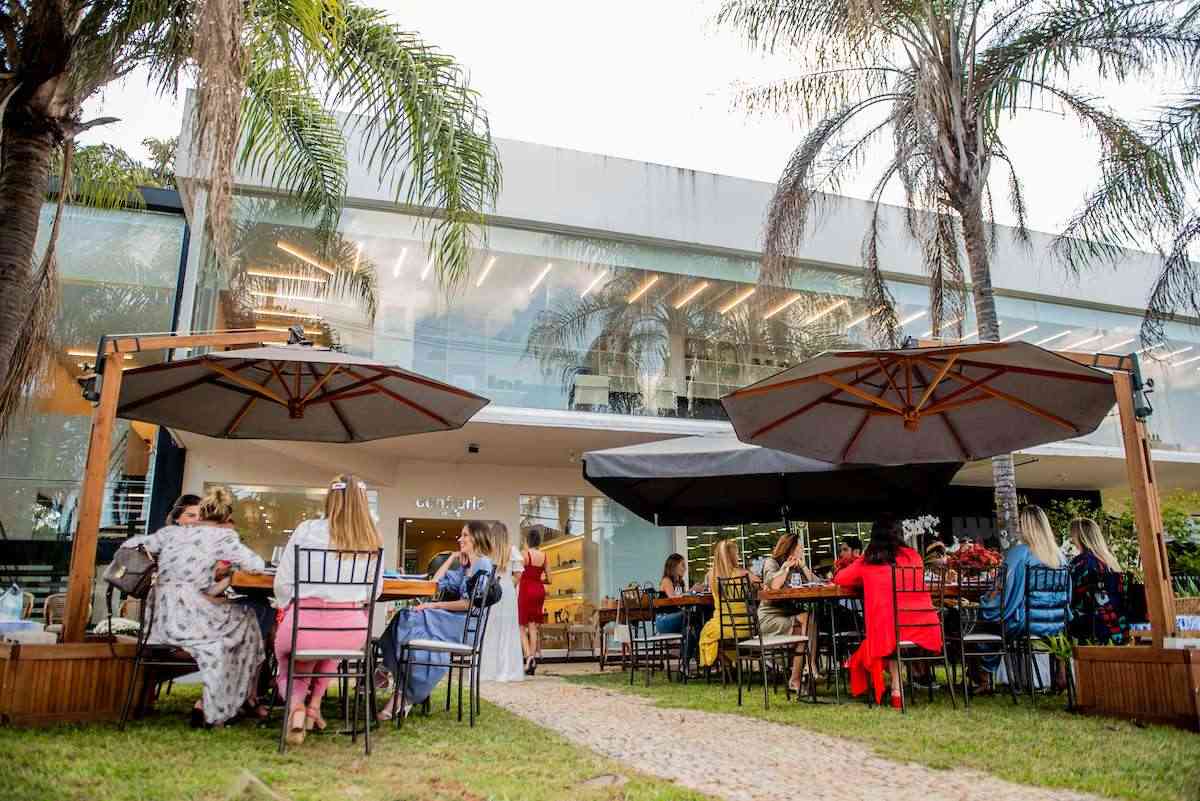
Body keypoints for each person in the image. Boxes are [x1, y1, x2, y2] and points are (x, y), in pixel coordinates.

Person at [118, 487, 266, 727]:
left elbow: (131, 545)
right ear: (225, 518)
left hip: (160, 617)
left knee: (240, 624)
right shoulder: (223, 537)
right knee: (248, 618)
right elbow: (256, 565)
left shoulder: (171, 533)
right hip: (191, 611)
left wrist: (159, 567)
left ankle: (228, 700)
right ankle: (226, 702)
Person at [272, 474, 383, 745]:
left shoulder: (306, 529)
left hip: (304, 627)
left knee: (294, 654)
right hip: (350, 631)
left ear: (330, 499)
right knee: (331, 643)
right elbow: (374, 593)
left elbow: (283, 585)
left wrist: (292, 603)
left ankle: (296, 707)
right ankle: (315, 704)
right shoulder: (371, 538)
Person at [377, 521, 495, 720]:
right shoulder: (467, 567)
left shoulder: (483, 565)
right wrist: (450, 559)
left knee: (410, 617)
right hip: (451, 621)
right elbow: (435, 584)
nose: (460, 539)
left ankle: (393, 681)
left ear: (477, 537)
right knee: (404, 617)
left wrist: (433, 606)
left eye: (465, 535)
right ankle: (398, 686)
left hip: (464, 627)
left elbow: (468, 604)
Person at [833, 517, 942, 708]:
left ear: (874, 536)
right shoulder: (914, 556)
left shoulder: (870, 559)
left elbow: (841, 579)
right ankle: (917, 679)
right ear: (899, 534)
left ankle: (896, 689)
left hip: (888, 630)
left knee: (889, 631)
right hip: (924, 624)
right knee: (893, 629)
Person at [977, 505, 1070, 691]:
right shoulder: (1060, 557)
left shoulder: (1020, 553)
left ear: (1025, 527)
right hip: (1057, 623)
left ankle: (984, 679)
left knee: (985, 623)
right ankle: (1060, 674)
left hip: (1026, 622)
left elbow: (1005, 591)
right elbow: (1068, 594)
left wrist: (985, 602)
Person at [759, 533, 819, 692]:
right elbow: (774, 586)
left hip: (788, 614)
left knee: (808, 622)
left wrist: (804, 567)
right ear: (791, 548)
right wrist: (785, 567)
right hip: (770, 617)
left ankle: (802, 673)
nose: (802, 550)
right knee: (805, 625)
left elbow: (817, 584)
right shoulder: (771, 563)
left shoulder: (798, 565)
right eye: (800, 547)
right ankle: (805, 670)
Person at [698, 540, 759, 669]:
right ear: (731, 556)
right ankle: (730, 666)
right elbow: (761, 585)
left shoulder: (711, 576)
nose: (739, 557)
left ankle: (726, 667)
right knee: (711, 631)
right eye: (737, 554)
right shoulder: (743, 574)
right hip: (747, 626)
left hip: (724, 626)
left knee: (707, 632)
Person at [1067, 517, 1129, 645]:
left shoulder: (1081, 563)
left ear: (1079, 537)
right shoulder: (1110, 562)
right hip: (1117, 627)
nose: (1071, 540)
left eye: (1072, 536)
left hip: (1090, 628)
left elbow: (1069, 596)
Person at [478, 522, 525, 682]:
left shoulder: (487, 552)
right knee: (508, 630)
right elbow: (518, 575)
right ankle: (507, 671)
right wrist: (508, 585)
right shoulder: (512, 550)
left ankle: (488, 670)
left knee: (490, 629)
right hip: (507, 591)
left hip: (491, 592)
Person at [517, 527, 549, 675]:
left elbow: (517, 574)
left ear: (527, 540)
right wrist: (538, 578)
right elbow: (550, 578)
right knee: (533, 626)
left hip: (526, 590)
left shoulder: (524, 554)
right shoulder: (544, 556)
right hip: (538, 590)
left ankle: (529, 657)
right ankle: (533, 659)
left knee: (521, 626)